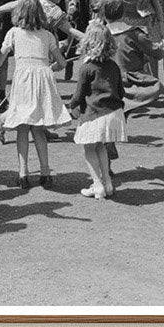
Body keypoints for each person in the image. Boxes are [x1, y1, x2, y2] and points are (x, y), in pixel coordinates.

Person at [0, 0, 72, 189]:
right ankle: (45, 171)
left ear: (19, 13)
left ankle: (23, 173)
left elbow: (1, 57)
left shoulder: (13, 32)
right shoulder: (47, 35)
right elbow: (62, 62)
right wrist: (51, 67)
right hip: (42, 80)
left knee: (22, 127)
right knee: (38, 128)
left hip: (23, 80)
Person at [67, 22, 127, 200]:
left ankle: (97, 184)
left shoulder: (86, 68)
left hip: (94, 113)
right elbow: (121, 92)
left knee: (89, 149)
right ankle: (107, 183)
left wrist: (71, 106)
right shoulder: (114, 66)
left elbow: (79, 95)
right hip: (113, 113)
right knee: (101, 146)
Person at [105, 0, 164, 114]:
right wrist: (161, 47)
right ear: (123, 13)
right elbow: (157, 53)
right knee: (157, 86)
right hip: (130, 81)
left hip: (106, 79)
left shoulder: (101, 33)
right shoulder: (134, 34)